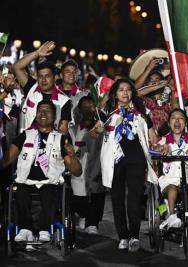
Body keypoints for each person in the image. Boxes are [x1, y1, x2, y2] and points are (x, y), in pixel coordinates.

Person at [0, 101, 81, 242]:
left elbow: (77, 171)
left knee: (48, 191)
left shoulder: (61, 139)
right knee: (19, 190)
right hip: (26, 180)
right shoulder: (25, 136)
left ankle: (45, 229)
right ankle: (26, 229)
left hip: (50, 182)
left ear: (54, 116)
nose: (43, 114)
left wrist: (72, 155)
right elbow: (6, 160)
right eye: (40, 111)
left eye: (47, 111)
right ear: (36, 115)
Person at [95, 78, 158, 252]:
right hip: (114, 160)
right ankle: (123, 235)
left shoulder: (141, 111)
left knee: (134, 198)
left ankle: (134, 236)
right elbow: (95, 132)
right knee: (117, 198)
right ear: (115, 93)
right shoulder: (107, 111)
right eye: (121, 89)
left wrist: (156, 140)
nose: (125, 93)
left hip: (136, 159)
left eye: (128, 90)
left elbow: (152, 135)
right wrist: (97, 130)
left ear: (132, 93)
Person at [156, 109, 188, 228]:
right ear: (169, 123)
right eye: (174, 118)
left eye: (181, 118)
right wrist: (164, 149)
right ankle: (172, 216)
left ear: (185, 123)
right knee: (172, 189)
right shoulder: (165, 140)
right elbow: (158, 147)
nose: (177, 121)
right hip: (170, 180)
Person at [13, 41, 72, 134]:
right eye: (40, 76)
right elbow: (17, 67)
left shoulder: (64, 101)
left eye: (47, 76)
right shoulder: (32, 88)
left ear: (55, 77)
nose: (43, 80)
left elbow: (63, 132)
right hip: (26, 145)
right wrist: (37, 53)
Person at [70, 96, 106, 234]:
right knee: (79, 198)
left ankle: (93, 223)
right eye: (85, 107)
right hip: (79, 171)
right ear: (79, 110)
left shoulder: (102, 128)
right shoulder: (73, 129)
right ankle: (84, 216)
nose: (88, 110)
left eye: (91, 106)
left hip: (96, 169)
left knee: (97, 195)